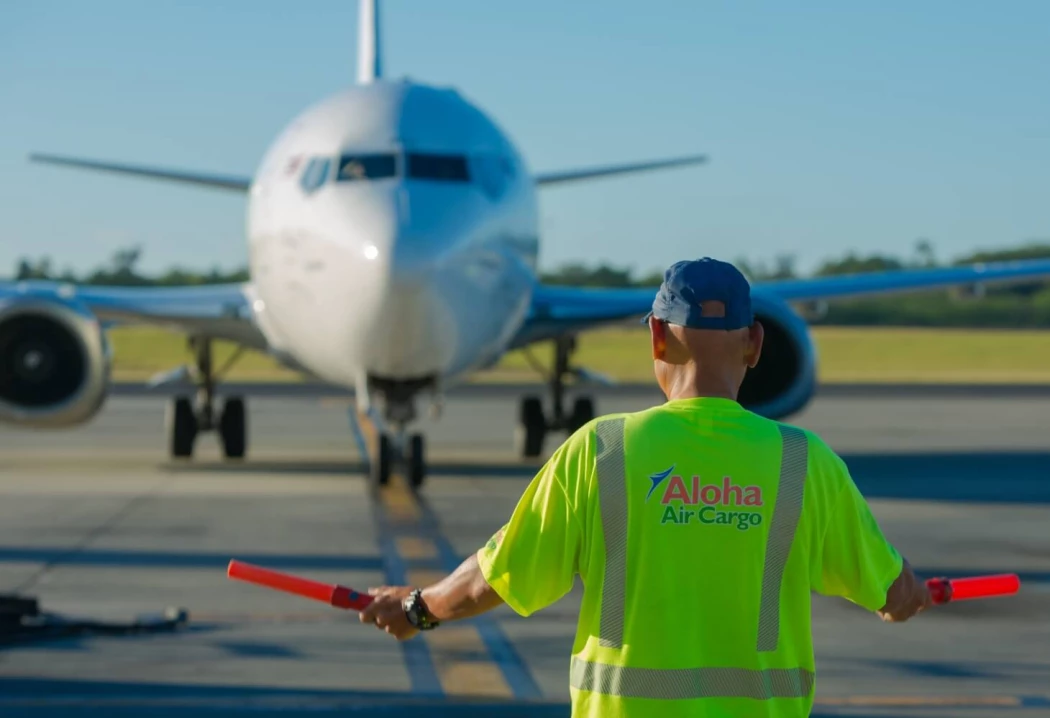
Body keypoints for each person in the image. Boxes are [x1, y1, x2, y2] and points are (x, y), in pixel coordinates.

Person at [360, 257, 931, 717]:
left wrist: (416, 608)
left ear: (657, 337)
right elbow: (890, 592)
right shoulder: (806, 463)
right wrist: (909, 592)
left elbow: (495, 576)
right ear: (754, 344)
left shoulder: (601, 451)